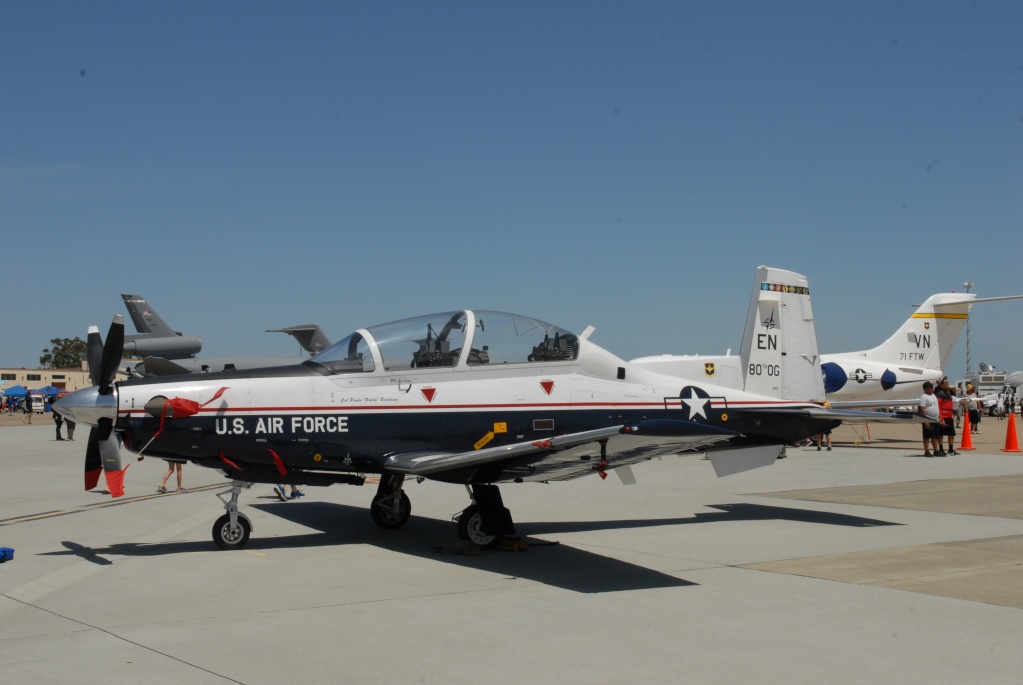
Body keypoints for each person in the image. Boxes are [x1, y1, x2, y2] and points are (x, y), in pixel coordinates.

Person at [918, 381, 943, 456]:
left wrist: (940, 418)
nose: (932, 388)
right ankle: (926, 451)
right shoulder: (923, 397)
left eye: (932, 387)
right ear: (926, 389)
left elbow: (937, 407)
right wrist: (925, 420)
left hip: (935, 419)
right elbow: (922, 408)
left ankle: (936, 450)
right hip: (928, 419)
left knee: (935, 436)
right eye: (930, 387)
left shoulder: (934, 396)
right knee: (927, 436)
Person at [934, 378, 958, 455]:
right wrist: (941, 418)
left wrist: (951, 414)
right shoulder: (939, 393)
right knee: (941, 434)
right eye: (945, 383)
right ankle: (941, 449)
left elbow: (950, 404)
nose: (947, 384)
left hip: (949, 415)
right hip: (943, 415)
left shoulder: (948, 392)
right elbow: (939, 406)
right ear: (941, 384)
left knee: (951, 433)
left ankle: (950, 449)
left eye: (947, 382)